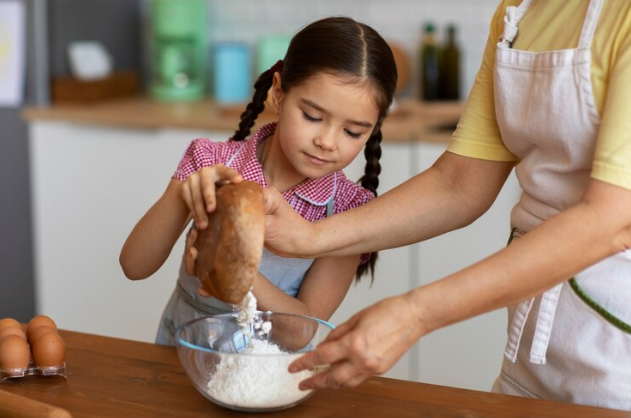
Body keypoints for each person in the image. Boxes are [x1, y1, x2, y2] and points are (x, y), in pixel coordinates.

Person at [263, 0, 631, 411]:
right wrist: (309, 236)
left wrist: (415, 314)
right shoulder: (518, 11)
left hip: (616, 355)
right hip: (531, 347)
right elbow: (459, 184)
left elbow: (612, 220)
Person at [119, 16, 398, 346]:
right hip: (183, 355)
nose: (327, 141)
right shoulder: (211, 162)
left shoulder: (350, 212)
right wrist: (184, 194)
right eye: (312, 116)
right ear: (279, 94)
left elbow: (300, 332)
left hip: (269, 378)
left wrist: (235, 268)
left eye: (353, 132)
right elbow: (134, 265)